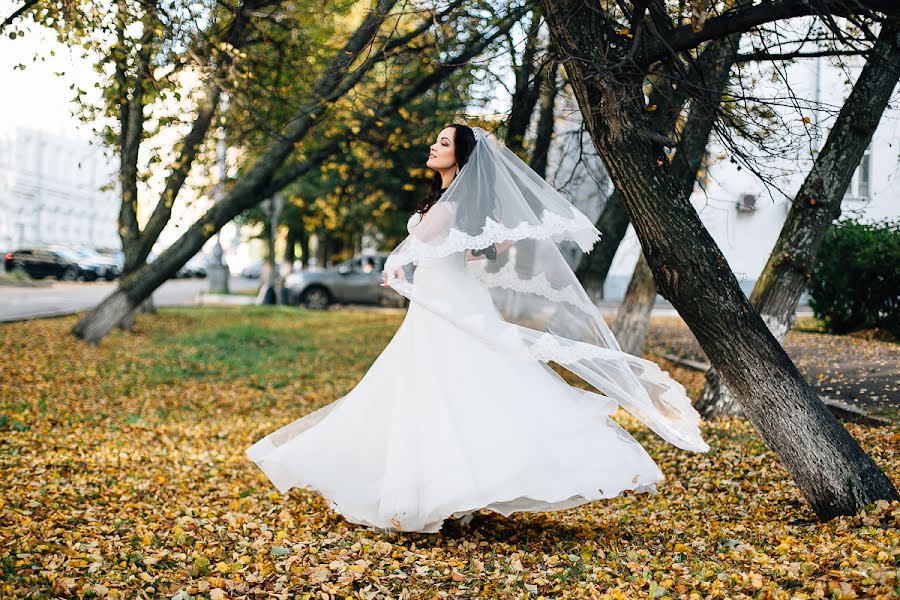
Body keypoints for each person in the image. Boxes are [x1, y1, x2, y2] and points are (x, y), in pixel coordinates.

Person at [245, 124, 710, 534]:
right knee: (449, 392)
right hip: (444, 302)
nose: (433, 146)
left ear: (459, 156)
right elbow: (480, 247)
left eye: (443, 143)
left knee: (452, 390)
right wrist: (442, 262)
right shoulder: (452, 204)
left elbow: (415, 246)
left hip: (448, 306)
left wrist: (394, 265)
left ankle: (442, 494)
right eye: (436, 140)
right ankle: (452, 493)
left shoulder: (449, 207)